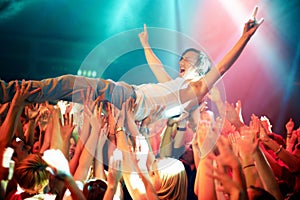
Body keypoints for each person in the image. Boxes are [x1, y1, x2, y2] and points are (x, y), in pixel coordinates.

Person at [0, 6, 263, 123]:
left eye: (188, 60)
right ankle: (11, 99)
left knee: (69, 83)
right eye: (181, 59)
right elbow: (158, 67)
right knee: (69, 96)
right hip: (126, 102)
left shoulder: (194, 91)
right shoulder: (176, 86)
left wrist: (243, 37)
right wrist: (147, 44)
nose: (181, 62)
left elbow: (222, 68)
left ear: (201, 69)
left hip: (128, 99)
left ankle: (8, 91)